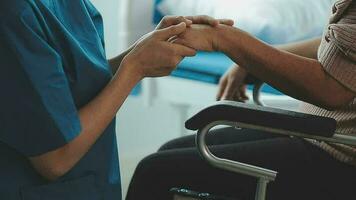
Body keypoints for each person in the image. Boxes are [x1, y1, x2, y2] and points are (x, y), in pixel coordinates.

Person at [0, 0, 234, 199]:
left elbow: (79, 81)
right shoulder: (13, 14)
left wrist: (142, 50)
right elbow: (54, 159)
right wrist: (134, 68)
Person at [127, 0, 356, 200]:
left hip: (340, 155)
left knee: (155, 173)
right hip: (322, 132)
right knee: (167, 152)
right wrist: (254, 57)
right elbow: (336, 47)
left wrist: (226, 39)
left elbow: (332, 88)